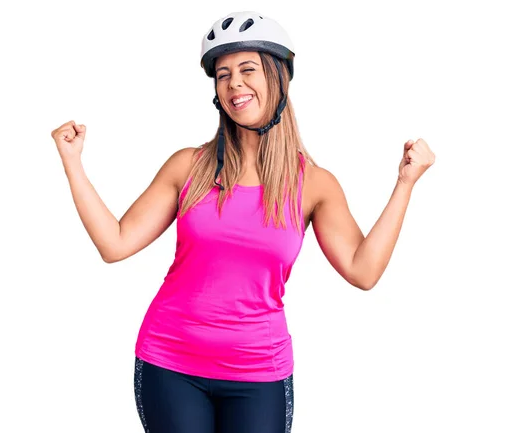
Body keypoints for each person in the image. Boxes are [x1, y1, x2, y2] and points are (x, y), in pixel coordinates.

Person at [50, 11, 435, 433]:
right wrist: (73, 163)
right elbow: (115, 243)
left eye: (247, 70)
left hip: (259, 372)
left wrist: (405, 183)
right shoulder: (188, 167)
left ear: (278, 78)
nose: (234, 84)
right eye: (223, 74)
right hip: (170, 363)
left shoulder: (314, 185)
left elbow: (363, 271)